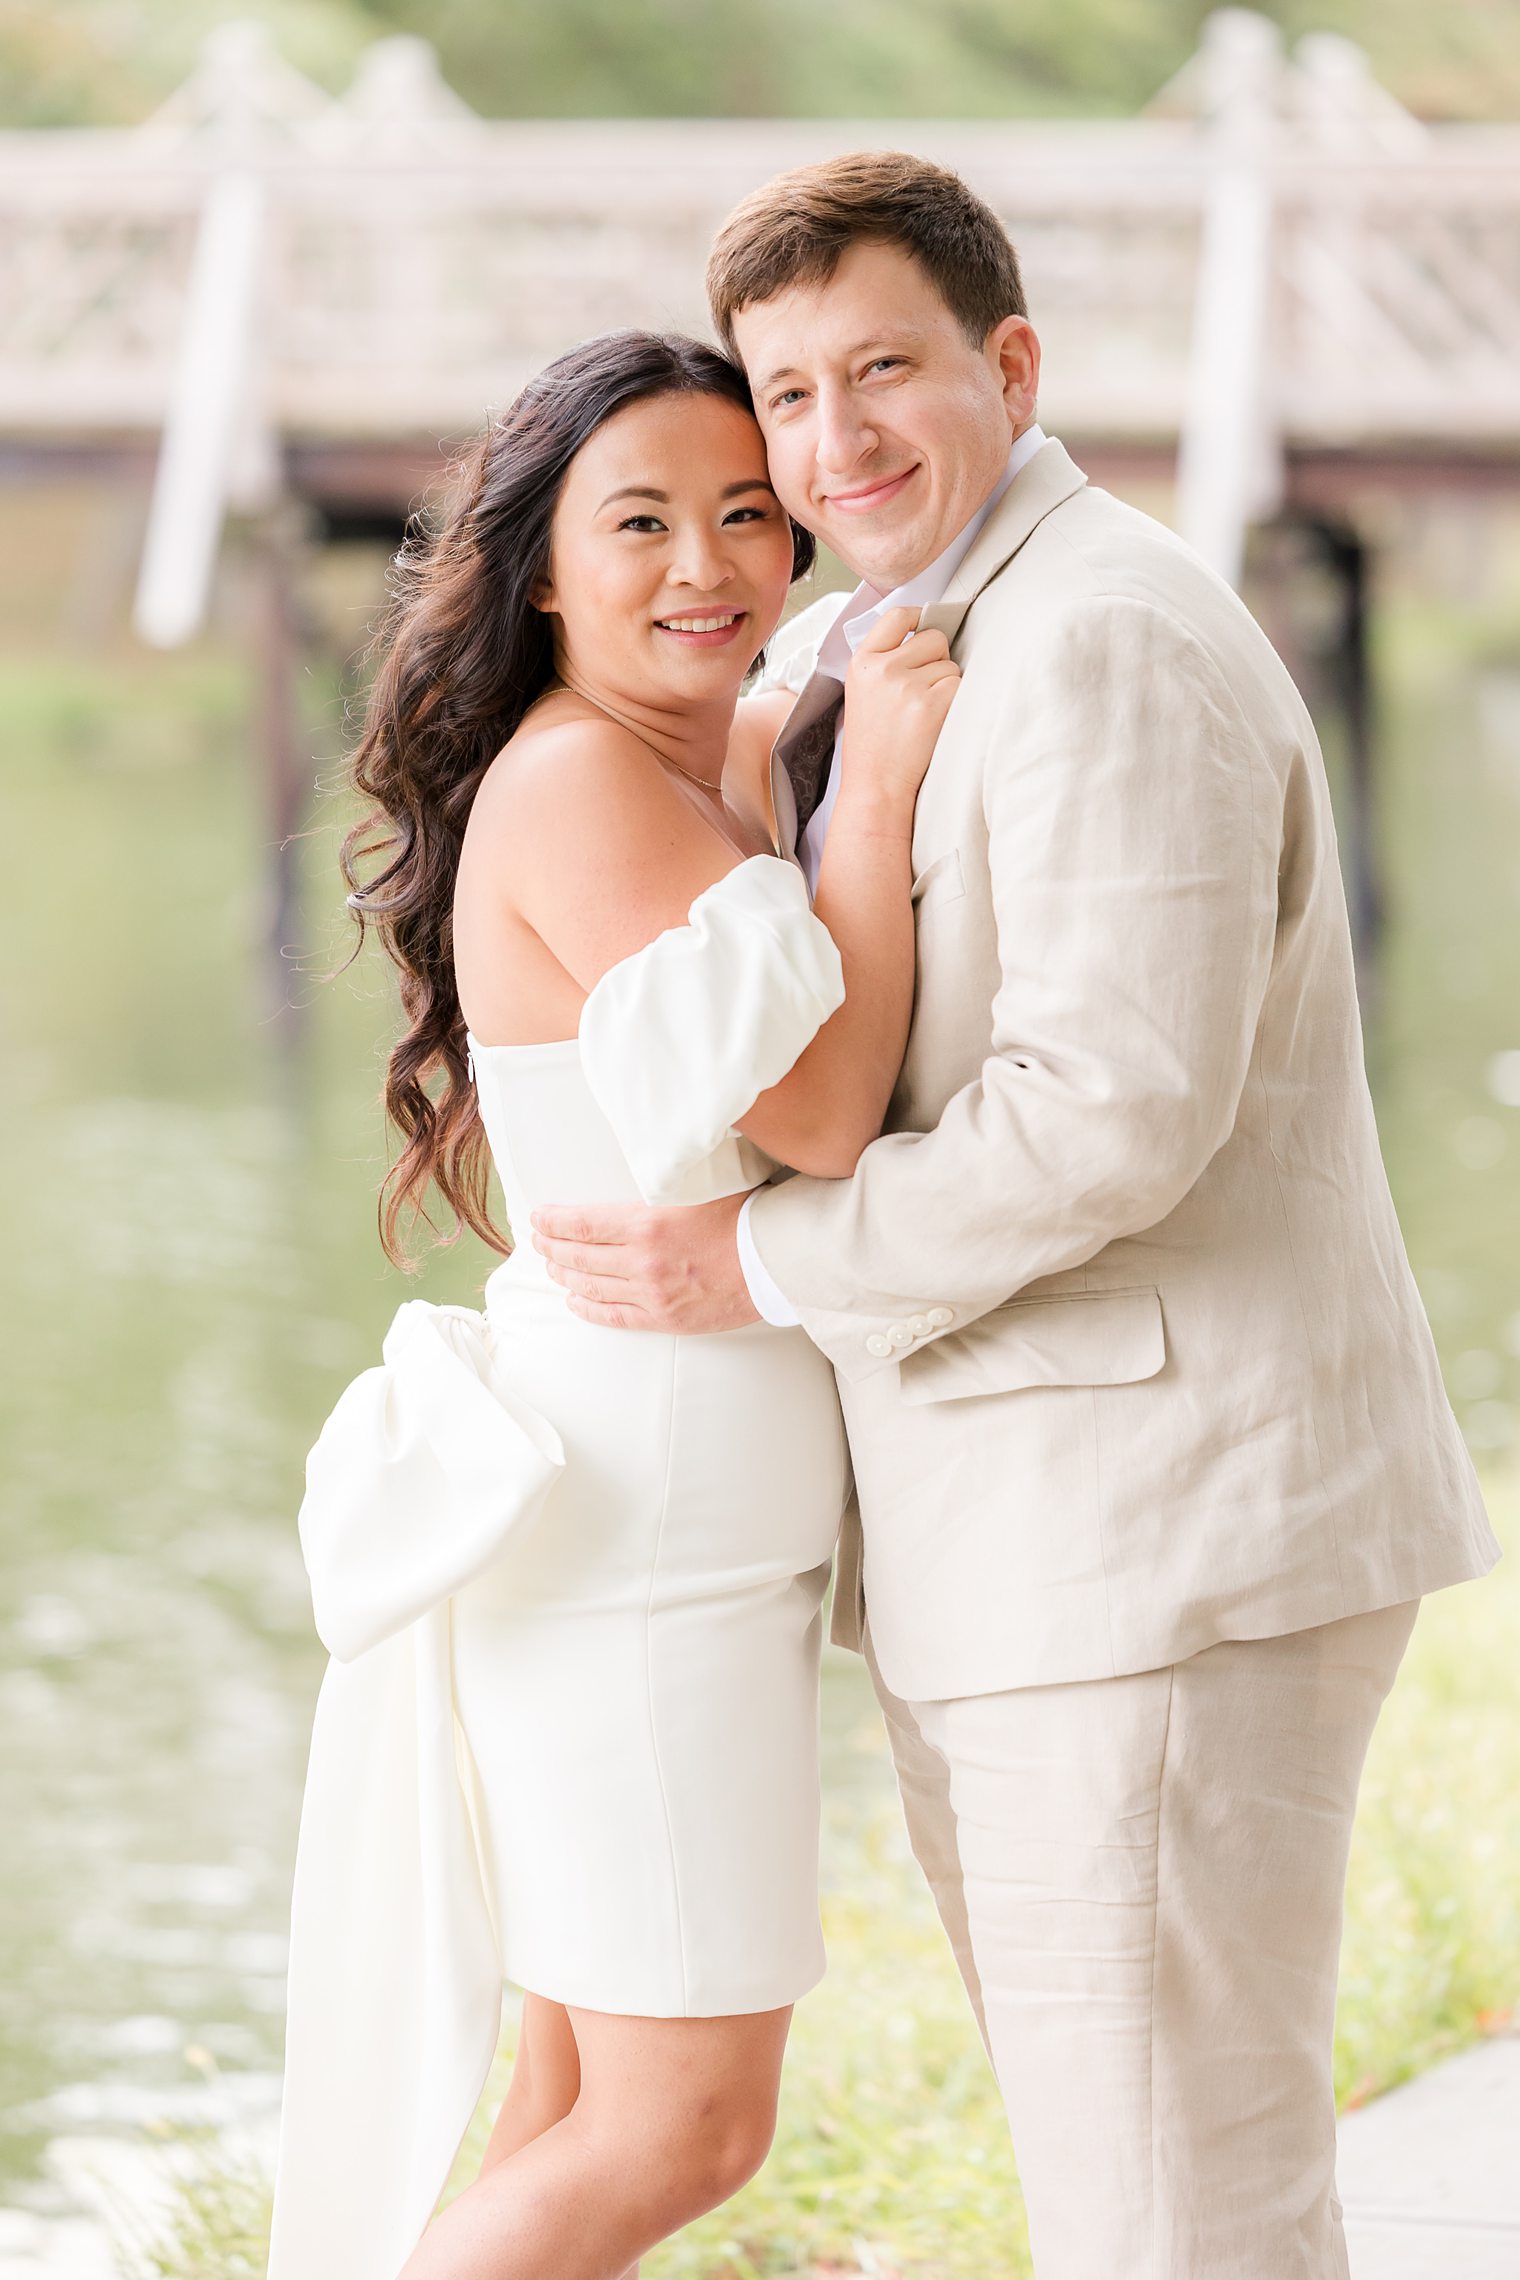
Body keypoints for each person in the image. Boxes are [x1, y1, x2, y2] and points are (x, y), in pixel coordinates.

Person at [528, 155, 1502, 2278]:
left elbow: (1109, 1116)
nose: (831, 438)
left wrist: (753, 1264)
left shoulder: (1102, 638)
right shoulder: (921, 627)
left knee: (1171, 2216)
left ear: (1012, 363)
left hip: (1156, 1550)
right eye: (785, 395)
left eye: (881, 368)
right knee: (1146, 2198)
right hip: (1063, 1549)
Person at [265, 329, 960, 2280]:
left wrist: (793, 745)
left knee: (575, 2103)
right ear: (546, 569)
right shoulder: (582, 784)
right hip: (647, 1541)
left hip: (647, 1517)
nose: (706, 565)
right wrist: (883, 786)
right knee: (686, 2123)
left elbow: (744, 889)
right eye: (641, 520)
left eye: (750, 513)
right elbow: (818, 1108)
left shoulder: (673, 762)